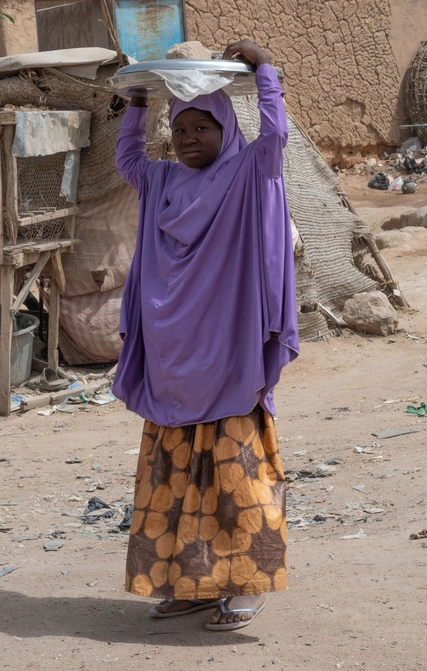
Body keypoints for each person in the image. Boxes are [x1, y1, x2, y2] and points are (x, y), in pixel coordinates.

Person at [113, 38, 299, 631]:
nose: (189, 137)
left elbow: (275, 138)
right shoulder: (163, 183)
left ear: (225, 126)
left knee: (233, 474)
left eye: (202, 126)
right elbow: (128, 162)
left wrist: (266, 68)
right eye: (181, 127)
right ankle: (189, 583)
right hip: (172, 356)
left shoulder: (247, 172)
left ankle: (244, 587)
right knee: (174, 480)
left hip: (227, 357)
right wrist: (138, 103)